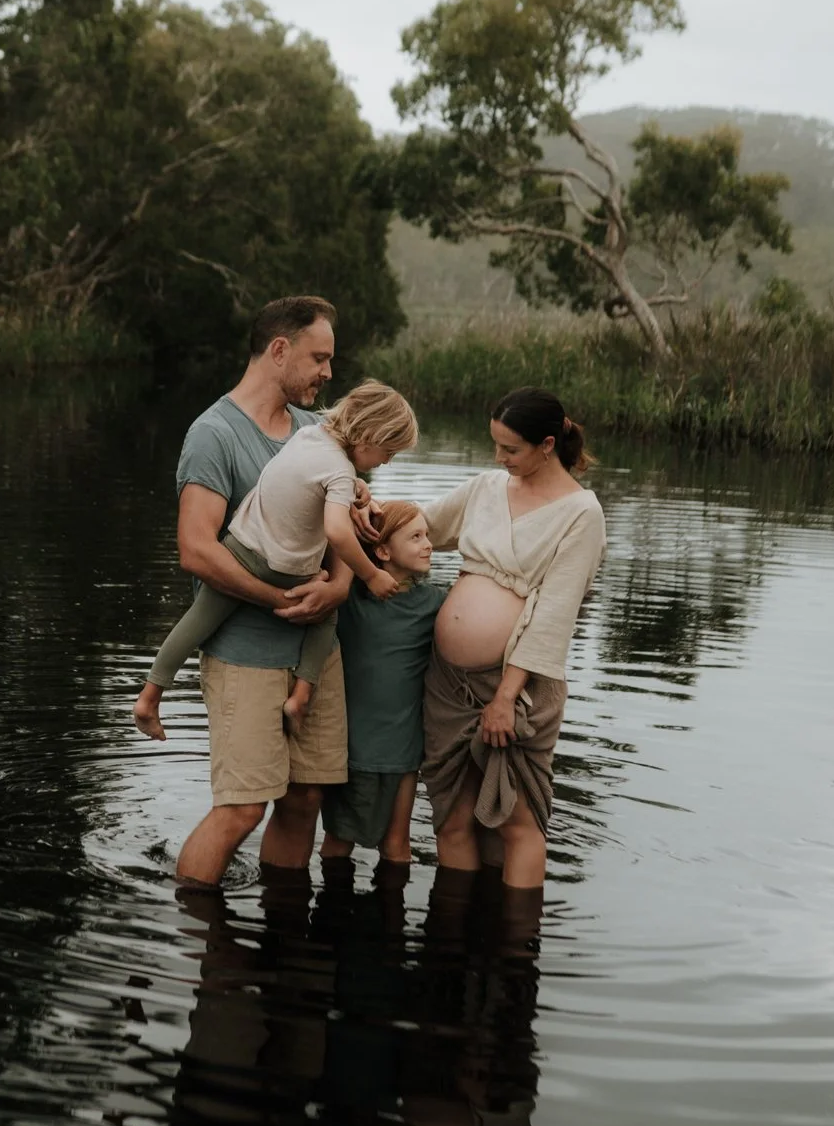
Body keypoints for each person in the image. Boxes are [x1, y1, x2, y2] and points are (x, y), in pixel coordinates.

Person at [164, 296, 353, 888]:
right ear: (279, 351)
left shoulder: (318, 431)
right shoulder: (213, 435)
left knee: (303, 803)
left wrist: (339, 588)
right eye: (318, 359)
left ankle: (282, 941)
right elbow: (196, 549)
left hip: (314, 662)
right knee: (242, 810)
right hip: (243, 656)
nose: (328, 373)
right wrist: (279, 601)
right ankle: (197, 929)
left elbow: (345, 534)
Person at [134, 381, 418, 740]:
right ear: (368, 439)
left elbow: (304, 479)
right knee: (325, 612)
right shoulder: (341, 473)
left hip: (240, 547)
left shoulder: (308, 435)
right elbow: (337, 531)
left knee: (197, 621)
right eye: (388, 453)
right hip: (284, 570)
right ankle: (300, 697)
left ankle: (148, 698)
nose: (387, 462)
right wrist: (371, 574)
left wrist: (356, 487)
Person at [415, 388, 607, 892]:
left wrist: (504, 698)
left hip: (514, 688)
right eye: (495, 445)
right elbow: (420, 527)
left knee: (517, 822)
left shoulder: (581, 514)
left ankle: (515, 949)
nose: (498, 458)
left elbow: (554, 617)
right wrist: (361, 506)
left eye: (510, 449)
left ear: (547, 445)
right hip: (448, 683)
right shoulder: (486, 488)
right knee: (452, 818)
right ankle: (454, 939)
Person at [319, 501, 442, 867]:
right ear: (383, 550)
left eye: (427, 535)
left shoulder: (434, 601)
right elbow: (332, 538)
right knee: (339, 841)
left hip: (404, 748)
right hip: (354, 748)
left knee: (397, 846)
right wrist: (358, 506)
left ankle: (391, 924)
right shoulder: (351, 596)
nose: (428, 544)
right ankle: (327, 920)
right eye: (416, 537)